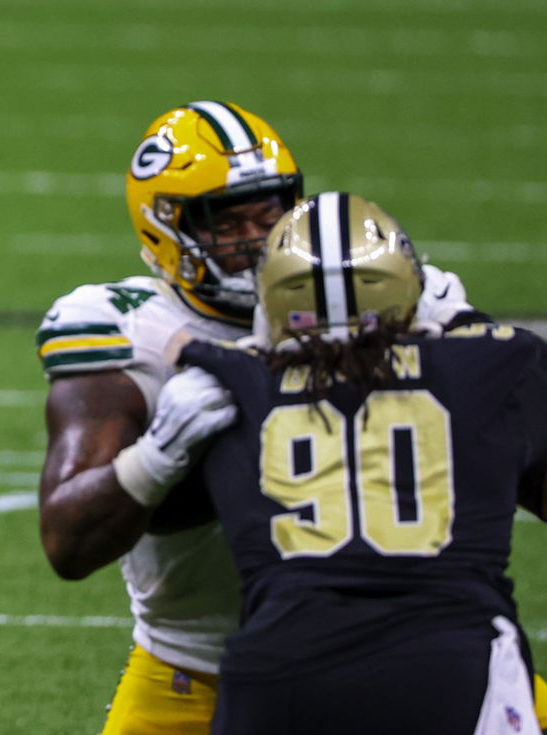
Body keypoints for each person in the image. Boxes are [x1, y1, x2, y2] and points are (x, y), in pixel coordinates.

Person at [33, 101, 486, 734]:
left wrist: (461, 359)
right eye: (227, 221)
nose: (254, 239)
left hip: (399, 651)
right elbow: (67, 543)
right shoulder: (126, 328)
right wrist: (159, 454)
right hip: (198, 673)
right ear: (165, 229)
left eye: (268, 212)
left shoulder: (383, 296)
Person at [113, 191, 546, 733]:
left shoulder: (228, 377)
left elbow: (179, 343)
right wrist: (460, 319)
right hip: (449, 661)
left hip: (276, 675)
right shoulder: (497, 359)